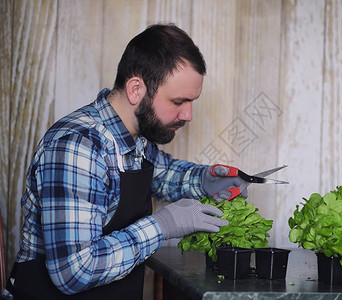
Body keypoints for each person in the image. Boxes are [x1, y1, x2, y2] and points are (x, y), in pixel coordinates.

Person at [2, 23, 246, 300]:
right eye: (179, 101)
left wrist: (205, 180)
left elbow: (163, 174)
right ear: (135, 89)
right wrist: (162, 226)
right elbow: (73, 272)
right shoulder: (78, 145)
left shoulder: (135, 136)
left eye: (192, 101)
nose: (188, 114)